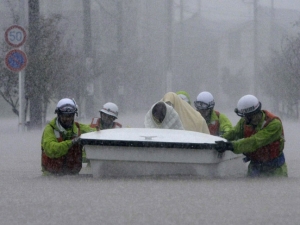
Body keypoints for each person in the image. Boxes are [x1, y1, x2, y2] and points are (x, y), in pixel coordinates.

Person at [214, 94, 288, 177]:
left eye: (246, 116)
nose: (244, 119)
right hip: (255, 166)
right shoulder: (245, 121)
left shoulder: (274, 124)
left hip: (275, 169)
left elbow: (254, 142)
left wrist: (231, 146)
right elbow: (234, 133)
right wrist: (217, 140)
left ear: (254, 114)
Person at [41, 98, 96, 175]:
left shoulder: (78, 127)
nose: (68, 119)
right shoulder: (49, 129)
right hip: (51, 177)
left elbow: (95, 132)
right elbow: (51, 150)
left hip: (73, 177)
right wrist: (71, 143)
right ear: (58, 115)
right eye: (64, 116)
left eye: (70, 116)